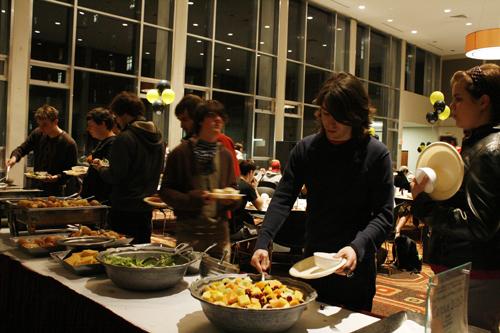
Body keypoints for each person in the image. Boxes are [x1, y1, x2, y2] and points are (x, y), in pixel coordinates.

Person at [251, 72, 394, 312]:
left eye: (340, 116)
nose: (331, 123)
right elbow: (282, 199)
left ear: (357, 115)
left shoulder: (376, 154)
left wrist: (357, 246)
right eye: (326, 114)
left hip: (355, 264)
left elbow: (385, 215)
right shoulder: (307, 149)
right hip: (313, 261)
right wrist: (263, 241)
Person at [411, 63, 500, 332]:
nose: (452, 106)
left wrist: (425, 205)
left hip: (474, 273)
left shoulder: (488, 150)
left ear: (483, 102)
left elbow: (480, 224)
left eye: (459, 99)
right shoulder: (479, 144)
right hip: (466, 269)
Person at [160, 100, 238, 258]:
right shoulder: (181, 152)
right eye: (212, 115)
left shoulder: (225, 155)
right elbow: (166, 192)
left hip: (220, 233)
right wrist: (191, 198)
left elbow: (233, 188)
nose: (218, 119)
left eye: (221, 116)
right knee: (187, 279)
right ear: (201, 120)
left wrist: (233, 200)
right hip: (189, 232)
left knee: (219, 280)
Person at [94, 92, 164, 244]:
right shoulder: (158, 138)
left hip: (124, 208)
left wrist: (100, 169)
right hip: (146, 208)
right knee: (141, 256)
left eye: (116, 116)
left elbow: (116, 176)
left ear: (124, 115)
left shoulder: (125, 138)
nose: (116, 121)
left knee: (119, 257)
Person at [7, 105, 77, 196]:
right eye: (39, 125)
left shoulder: (68, 143)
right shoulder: (38, 134)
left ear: (55, 122)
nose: (41, 128)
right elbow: (23, 148)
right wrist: (14, 158)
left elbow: (71, 170)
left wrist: (57, 177)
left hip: (56, 192)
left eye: (45, 125)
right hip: (35, 188)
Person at [175, 94, 240, 177]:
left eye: (185, 119)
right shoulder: (183, 149)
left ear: (197, 118)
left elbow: (233, 178)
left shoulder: (222, 142)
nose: (181, 125)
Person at [80, 107, 116, 202]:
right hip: (93, 198)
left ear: (103, 124)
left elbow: (109, 173)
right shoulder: (103, 142)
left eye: (90, 126)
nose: (88, 129)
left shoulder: (112, 144)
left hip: (101, 200)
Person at [230, 160, 263, 240]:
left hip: (225, 227)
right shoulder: (247, 187)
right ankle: (251, 252)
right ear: (251, 172)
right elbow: (260, 206)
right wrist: (255, 188)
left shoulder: (232, 182)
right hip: (235, 230)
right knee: (261, 232)